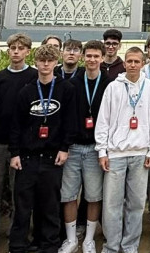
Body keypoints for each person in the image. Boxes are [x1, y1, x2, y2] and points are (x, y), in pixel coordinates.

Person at [96, 46, 150, 253]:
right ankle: (111, 246)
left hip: (140, 154)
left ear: (142, 63)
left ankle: (130, 246)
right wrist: (102, 151)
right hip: (116, 154)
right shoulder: (113, 88)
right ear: (124, 64)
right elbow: (103, 121)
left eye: (137, 61)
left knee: (136, 204)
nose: (133, 64)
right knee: (111, 205)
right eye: (129, 61)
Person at [9, 43, 74, 253]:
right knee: (22, 205)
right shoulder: (26, 91)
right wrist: (15, 153)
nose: (45, 65)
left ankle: (49, 244)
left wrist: (64, 148)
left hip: (52, 156)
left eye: (50, 61)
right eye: (42, 61)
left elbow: (68, 122)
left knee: (50, 204)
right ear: (35, 62)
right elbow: (16, 124)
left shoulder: (66, 89)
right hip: (27, 157)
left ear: (56, 63)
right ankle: (18, 244)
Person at [0, 34, 37, 253]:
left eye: (20, 48)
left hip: (22, 148)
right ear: (8, 51)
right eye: (12, 48)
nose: (16, 51)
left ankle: (18, 236)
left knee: (19, 194)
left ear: (28, 52)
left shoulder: (34, 76)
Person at [60, 40, 108, 253]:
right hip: (73, 147)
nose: (91, 60)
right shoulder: (72, 83)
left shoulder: (108, 83)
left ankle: (89, 238)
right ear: (83, 57)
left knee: (94, 196)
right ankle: (71, 239)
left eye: (96, 56)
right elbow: (65, 118)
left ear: (102, 58)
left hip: (95, 149)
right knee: (69, 195)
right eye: (88, 55)